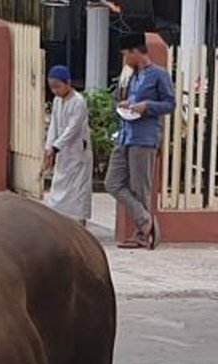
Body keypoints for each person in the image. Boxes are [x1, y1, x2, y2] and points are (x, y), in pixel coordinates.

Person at [107, 32, 175, 249]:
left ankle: (142, 233)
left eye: (127, 54)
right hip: (125, 133)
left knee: (140, 186)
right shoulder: (132, 76)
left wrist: (147, 106)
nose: (125, 59)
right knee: (113, 182)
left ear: (136, 52)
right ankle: (145, 219)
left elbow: (170, 104)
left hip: (144, 137)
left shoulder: (158, 75)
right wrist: (129, 103)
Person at [43, 65, 93, 223]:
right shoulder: (57, 101)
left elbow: (73, 128)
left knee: (78, 188)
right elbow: (54, 125)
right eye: (52, 87)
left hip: (77, 151)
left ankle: (79, 220)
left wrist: (56, 146)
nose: (55, 91)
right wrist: (49, 146)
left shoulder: (78, 102)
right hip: (62, 152)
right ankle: (59, 219)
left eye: (58, 86)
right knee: (59, 184)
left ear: (68, 83)